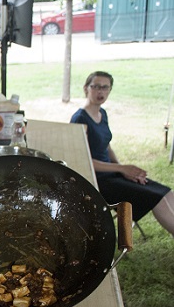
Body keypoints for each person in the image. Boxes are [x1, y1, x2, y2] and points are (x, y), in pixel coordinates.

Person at [71, 71, 174, 236]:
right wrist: (121, 169)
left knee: (166, 192)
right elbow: (83, 161)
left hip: (112, 174)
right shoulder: (80, 119)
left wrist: (124, 171)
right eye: (96, 86)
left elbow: (107, 147)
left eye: (105, 87)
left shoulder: (102, 114)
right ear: (86, 89)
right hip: (96, 181)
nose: (101, 92)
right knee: (157, 199)